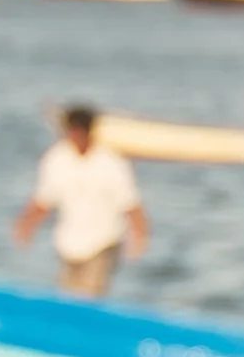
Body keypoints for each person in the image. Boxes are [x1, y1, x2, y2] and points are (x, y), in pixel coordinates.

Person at [15, 104, 146, 298]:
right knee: (67, 298)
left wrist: (140, 235)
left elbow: (130, 203)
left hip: (102, 243)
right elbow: (44, 199)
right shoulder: (57, 159)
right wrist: (26, 224)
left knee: (89, 298)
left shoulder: (111, 162)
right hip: (68, 244)